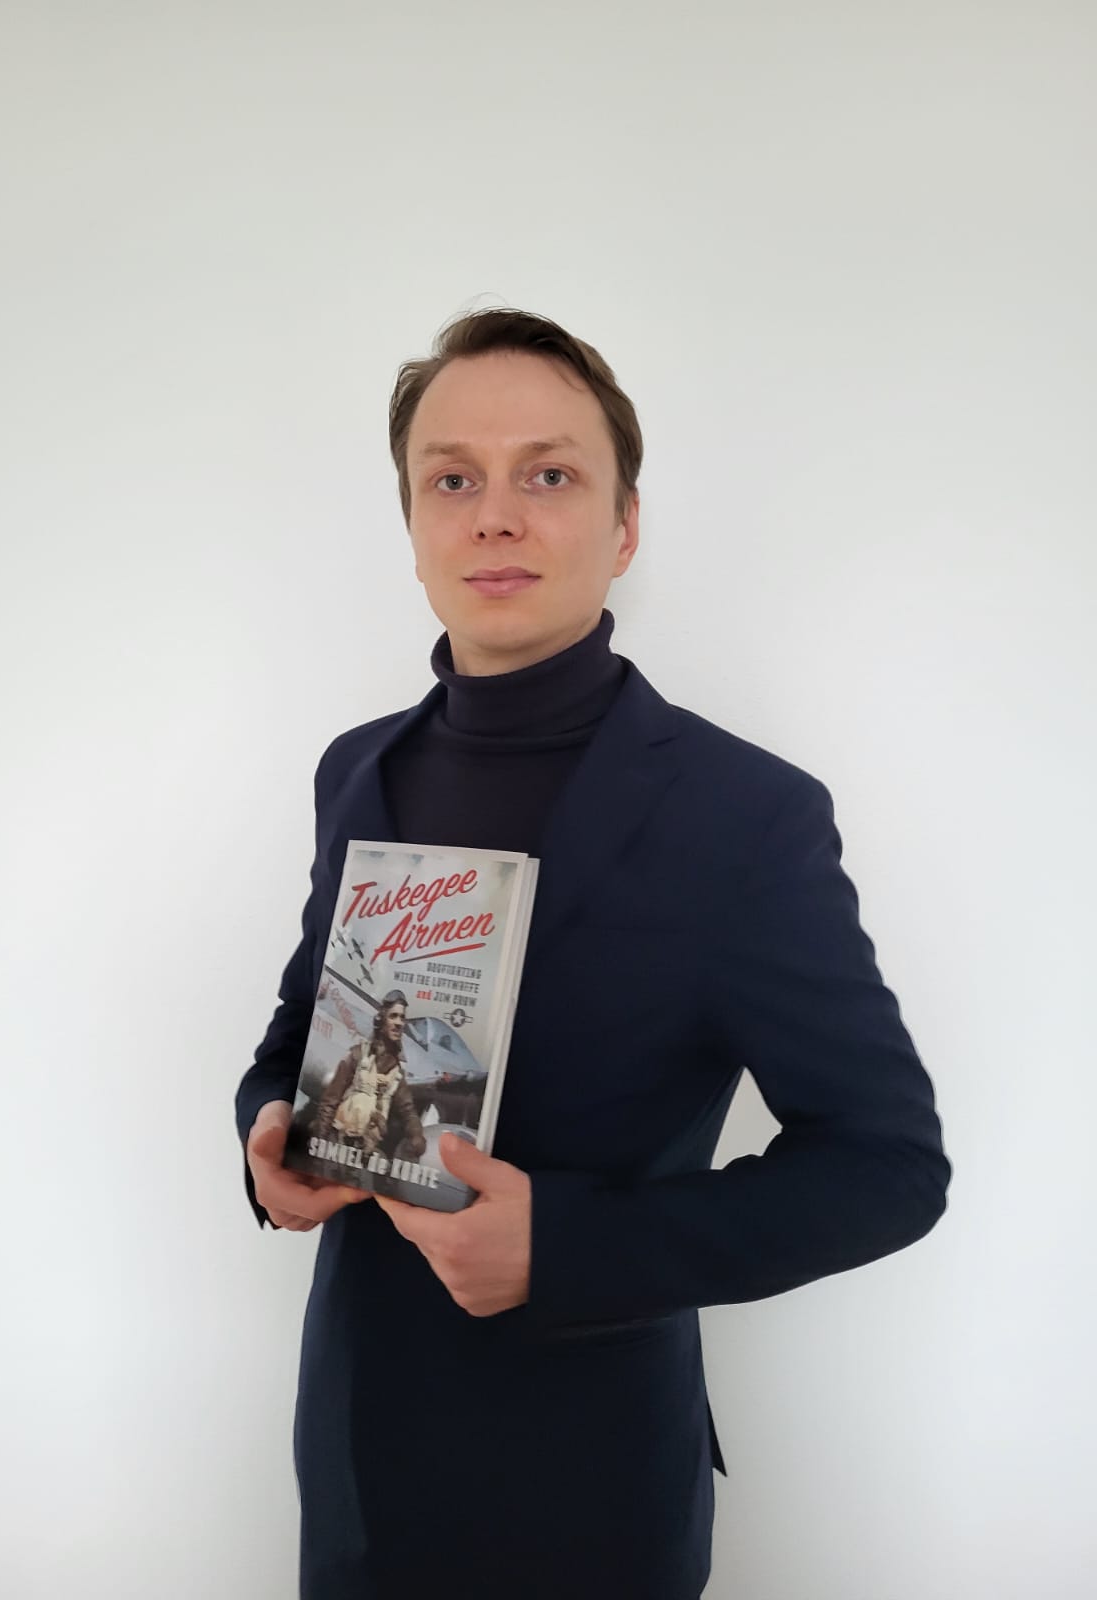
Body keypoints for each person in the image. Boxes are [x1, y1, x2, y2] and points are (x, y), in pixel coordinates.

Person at [234, 307, 951, 1599]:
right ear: (412, 528)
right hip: (352, 1460)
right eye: (453, 479)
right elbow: (300, 1029)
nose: (495, 515)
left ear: (624, 528)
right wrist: (271, 1135)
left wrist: (565, 1249)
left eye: (547, 474)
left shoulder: (745, 816)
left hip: (587, 1492)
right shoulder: (359, 770)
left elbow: (890, 1166)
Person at [309, 989, 426, 1162]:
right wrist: (320, 1141)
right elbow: (330, 1101)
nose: (399, 1023)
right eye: (393, 1016)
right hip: (337, 1142)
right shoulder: (356, 1056)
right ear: (381, 1020)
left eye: (402, 1018)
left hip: (366, 1151)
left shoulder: (396, 1074)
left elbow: (408, 1111)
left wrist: (417, 1135)